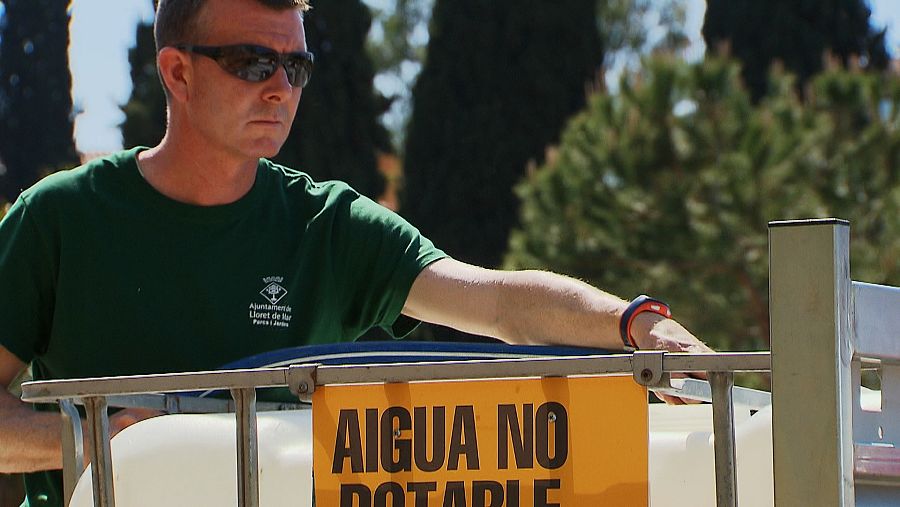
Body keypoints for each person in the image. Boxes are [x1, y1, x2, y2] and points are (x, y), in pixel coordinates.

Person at [0, 0, 713, 504]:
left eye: (296, 66)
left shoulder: (328, 224)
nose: (280, 89)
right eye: (252, 63)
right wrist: (89, 437)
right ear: (178, 73)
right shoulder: (60, 217)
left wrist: (638, 324)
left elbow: (496, 302)